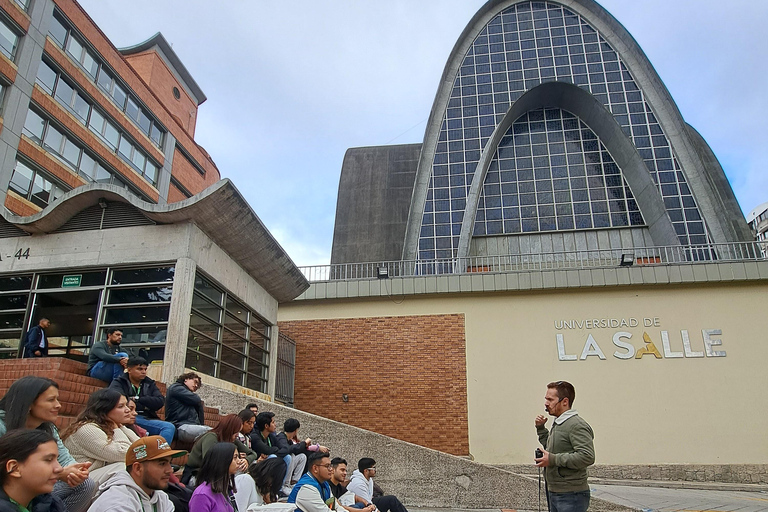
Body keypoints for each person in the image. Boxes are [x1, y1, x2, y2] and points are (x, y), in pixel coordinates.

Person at [0, 376, 95, 512]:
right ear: (29, 403)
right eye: (51, 400)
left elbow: (65, 460)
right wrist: (59, 473)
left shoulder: (47, 428)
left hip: (36, 486)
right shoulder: (2, 425)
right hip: (8, 487)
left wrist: (76, 473)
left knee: (84, 484)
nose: (58, 405)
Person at [534, 380, 595, 512]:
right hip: (556, 492)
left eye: (550, 399)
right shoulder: (559, 422)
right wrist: (541, 429)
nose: (546, 403)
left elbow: (587, 456)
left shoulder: (576, 425)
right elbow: (552, 448)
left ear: (565, 402)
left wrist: (552, 459)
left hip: (571, 495)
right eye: (546, 399)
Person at [87, 435, 186, 512]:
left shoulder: (160, 497)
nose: (170, 470)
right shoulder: (117, 504)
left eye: (169, 463)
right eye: (162, 464)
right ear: (138, 468)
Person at [61, 389, 138, 484]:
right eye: (121, 406)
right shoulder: (87, 429)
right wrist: (117, 429)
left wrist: (120, 427)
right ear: (104, 410)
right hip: (80, 482)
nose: (127, 410)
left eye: (126, 405)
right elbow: (126, 454)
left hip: (97, 478)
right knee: (124, 468)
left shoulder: (112, 426)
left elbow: (143, 447)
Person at [109, 356, 175, 443]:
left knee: (169, 427)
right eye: (139, 369)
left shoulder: (149, 383)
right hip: (129, 416)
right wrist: (146, 404)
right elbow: (118, 400)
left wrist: (136, 399)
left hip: (148, 417)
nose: (143, 372)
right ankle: (159, 454)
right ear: (129, 370)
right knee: (167, 427)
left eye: (145, 369)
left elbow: (160, 401)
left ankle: (158, 453)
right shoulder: (119, 382)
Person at [0, 429, 66, 512]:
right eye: (49, 460)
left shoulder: (52, 504)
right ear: (14, 468)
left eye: (57, 460)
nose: (59, 468)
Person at [183, 415, 254, 485]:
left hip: (219, 475)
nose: (237, 435)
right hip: (198, 475)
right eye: (236, 432)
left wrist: (246, 460)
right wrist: (235, 457)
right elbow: (211, 461)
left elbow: (252, 453)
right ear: (229, 429)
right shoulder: (211, 437)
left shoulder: (232, 439)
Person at [275, 418, 327, 493]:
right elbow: (288, 449)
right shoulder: (281, 437)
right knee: (290, 456)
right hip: (280, 463)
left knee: (302, 457)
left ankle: (294, 482)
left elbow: (297, 448)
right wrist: (304, 443)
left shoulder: (288, 439)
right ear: (295, 430)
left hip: (286, 464)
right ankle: (285, 485)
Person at [189, 442, 240, 512]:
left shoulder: (225, 489)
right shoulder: (202, 495)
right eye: (235, 457)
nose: (239, 461)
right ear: (222, 460)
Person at [165, 371, 211, 442]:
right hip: (180, 426)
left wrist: (201, 425)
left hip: (190, 425)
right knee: (212, 433)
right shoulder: (176, 388)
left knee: (217, 433)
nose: (196, 386)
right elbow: (197, 399)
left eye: (198, 385)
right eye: (195, 382)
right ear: (186, 379)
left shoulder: (189, 396)